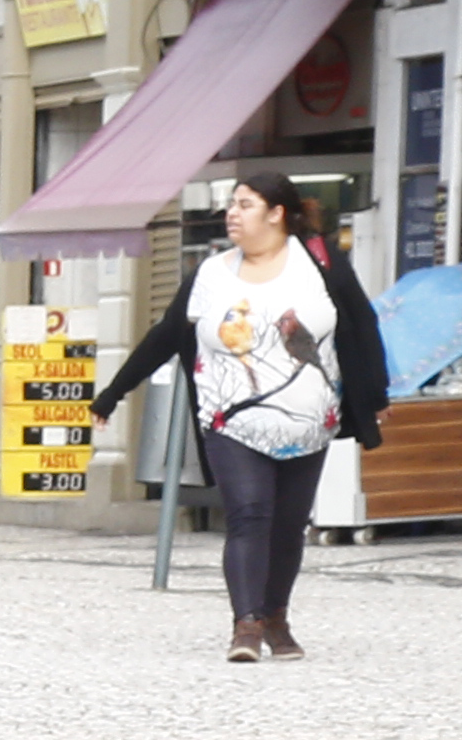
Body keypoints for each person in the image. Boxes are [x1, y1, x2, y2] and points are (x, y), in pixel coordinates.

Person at [92, 161, 384, 661]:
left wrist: (375, 397)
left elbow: (362, 324)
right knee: (249, 515)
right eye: (231, 204)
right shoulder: (210, 274)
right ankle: (245, 626)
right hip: (231, 420)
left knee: (289, 526)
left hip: (308, 421)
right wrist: (114, 392)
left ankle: (276, 616)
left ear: (276, 213)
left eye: (244, 204)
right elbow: (167, 335)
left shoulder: (318, 263)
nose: (233, 214)